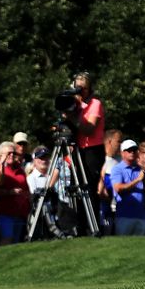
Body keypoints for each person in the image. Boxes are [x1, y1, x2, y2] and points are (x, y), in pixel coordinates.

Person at [62, 71, 105, 235]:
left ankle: (92, 226)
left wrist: (74, 115)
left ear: (89, 89)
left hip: (93, 149)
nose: (80, 91)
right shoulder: (74, 104)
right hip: (78, 148)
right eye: (77, 87)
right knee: (76, 185)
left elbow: (88, 129)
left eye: (83, 88)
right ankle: (77, 226)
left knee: (89, 187)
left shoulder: (95, 104)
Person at [0, 141, 30, 244]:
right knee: (7, 239)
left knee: (17, 243)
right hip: (4, 214)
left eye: (13, 153)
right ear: (1, 155)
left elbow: (26, 189)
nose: (11, 155)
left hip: (20, 214)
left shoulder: (20, 170)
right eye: (8, 153)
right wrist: (10, 192)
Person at [110, 140, 145, 236]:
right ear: (122, 152)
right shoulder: (117, 169)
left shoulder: (141, 169)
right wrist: (138, 180)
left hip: (141, 215)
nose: (132, 152)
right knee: (123, 247)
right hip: (125, 216)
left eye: (134, 150)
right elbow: (118, 188)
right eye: (129, 150)